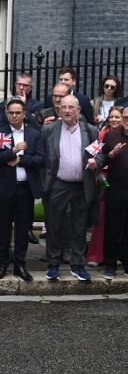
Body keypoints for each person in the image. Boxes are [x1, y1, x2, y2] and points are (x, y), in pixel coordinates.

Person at [41, 95, 101, 281]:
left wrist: (95, 162)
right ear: (58, 110)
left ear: (78, 110)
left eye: (71, 107)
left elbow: (99, 154)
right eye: (63, 107)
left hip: (82, 184)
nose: (67, 111)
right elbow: (43, 158)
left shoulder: (90, 130)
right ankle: (53, 265)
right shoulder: (49, 130)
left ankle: (77, 265)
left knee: (79, 225)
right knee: (53, 225)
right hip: (58, 183)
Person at [0, 99, 44, 281]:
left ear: (24, 113)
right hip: (5, 187)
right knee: (3, 228)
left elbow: (41, 160)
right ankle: (3, 263)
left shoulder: (34, 134)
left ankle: (20, 264)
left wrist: (21, 159)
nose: (14, 116)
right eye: (10, 112)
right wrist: (12, 151)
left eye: (17, 113)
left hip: (25, 189)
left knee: (22, 229)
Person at [86, 106, 123, 266]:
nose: (114, 120)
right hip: (102, 179)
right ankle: (96, 254)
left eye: (117, 117)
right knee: (101, 217)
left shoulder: (123, 135)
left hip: (118, 181)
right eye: (112, 117)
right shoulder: (101, 134)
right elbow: (94, 155)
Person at [99, 107, 128, 279]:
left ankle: (126, 261)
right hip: (116, 188)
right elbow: (101, 159)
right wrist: (111, 153)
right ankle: (110, 264)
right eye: (125, 117)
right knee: (112, 227)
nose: (126, 120)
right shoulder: (111, 135)